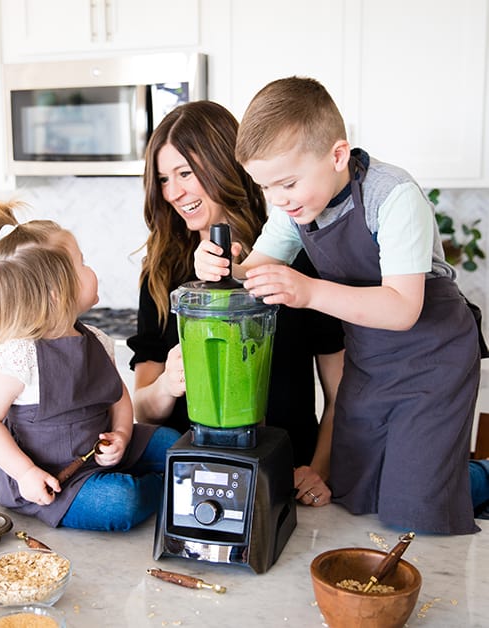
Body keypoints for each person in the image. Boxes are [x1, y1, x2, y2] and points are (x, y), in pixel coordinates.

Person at [195, 76, 485, 534]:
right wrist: (221, 268)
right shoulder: (296, 208)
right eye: (266, 188)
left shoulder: (393, 196)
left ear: (337, 155)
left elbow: (402, 308)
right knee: (354, 491)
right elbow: (252, 271)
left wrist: (307, 291)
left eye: (286, 183)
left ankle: (478, 477)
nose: (277, 200)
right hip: (370, 361)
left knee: (414, 507)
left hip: (433, 361)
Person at [127, 100, 345, 507]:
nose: (173, 193)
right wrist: (168, 383)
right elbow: (143, 409)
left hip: (284, 476)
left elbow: (341, 394)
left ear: (225, 166)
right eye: (163, 179)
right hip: (191, 482)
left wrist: (319, 469)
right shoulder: (160, 273)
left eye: (185, 174)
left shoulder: (298, 259)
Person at [0, 201, 180, 531]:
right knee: (121, 503)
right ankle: (168, 489)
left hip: (98, 452)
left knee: (173, 443)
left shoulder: (96, 338)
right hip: (53, 478)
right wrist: (24, 472)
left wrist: (123, 434)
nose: (91, 271)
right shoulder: (19, 355)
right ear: (56, 292)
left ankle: (160, 481)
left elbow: (118, 397)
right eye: (82, 264)